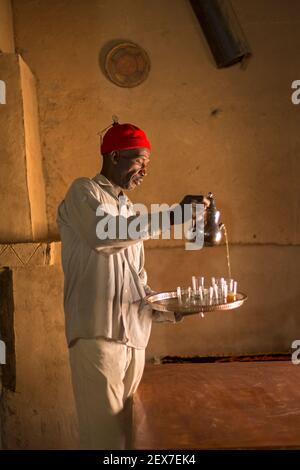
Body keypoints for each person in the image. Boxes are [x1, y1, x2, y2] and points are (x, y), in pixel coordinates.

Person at [56, 120, 207, 450]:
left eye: (148, 163)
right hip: (97, 334)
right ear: (113, 156)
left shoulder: (129, 211)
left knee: (130, 436)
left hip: (134, 337)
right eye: (139, 160)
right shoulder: (84, 191)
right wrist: (172, 216)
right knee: (104, 439)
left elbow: (138, 282)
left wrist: (174, 308)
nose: (144, 170)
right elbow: (102, 235)